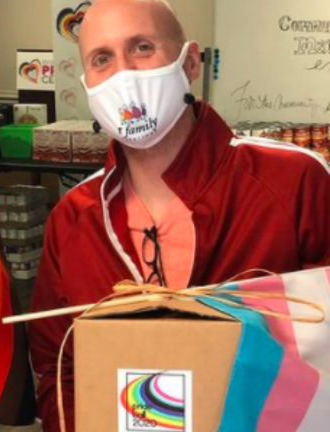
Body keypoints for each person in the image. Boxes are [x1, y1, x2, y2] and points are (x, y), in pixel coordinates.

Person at [29, 0, 330, 430]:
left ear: (190, 62)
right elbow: (58, 367)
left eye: (142, 47)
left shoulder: (293, 182)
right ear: (87, 83)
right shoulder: (73, 219)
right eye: (101, 59)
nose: (124, 74)